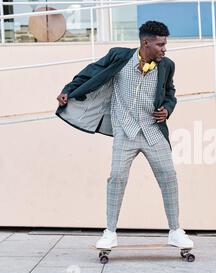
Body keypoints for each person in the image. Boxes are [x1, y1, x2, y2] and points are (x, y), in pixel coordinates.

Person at [55, 21, 193, 250]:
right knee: (117, 178)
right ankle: (109, 233)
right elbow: (91, 72)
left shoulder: (167, 65)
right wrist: (68, 90)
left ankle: (175, 231)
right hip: (125, 130)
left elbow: (170, 93)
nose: (164, 48)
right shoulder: (119, 56)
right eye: (160, 44)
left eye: (165, 44)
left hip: (153, 131)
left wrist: (167, 108)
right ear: (145, 42)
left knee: (169, 177)